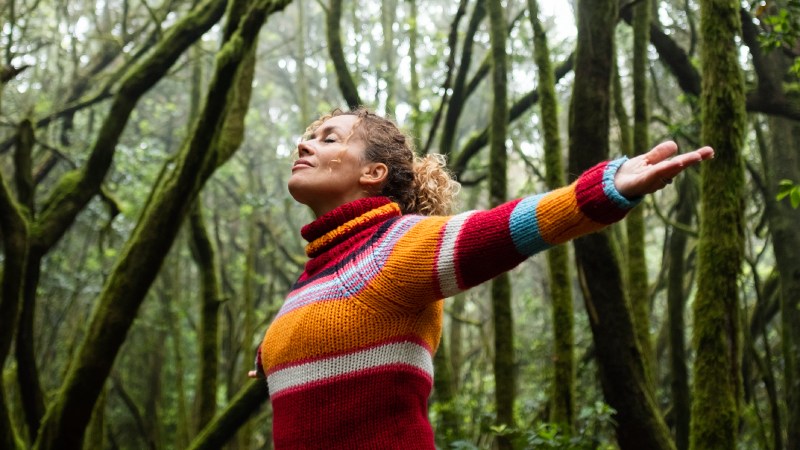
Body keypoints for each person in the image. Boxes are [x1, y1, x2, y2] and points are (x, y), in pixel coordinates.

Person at [249, 107, 714, 449]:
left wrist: (600, 190)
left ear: (374, 172)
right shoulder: (312, 279)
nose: (304, 145)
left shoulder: (392, 249)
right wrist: (271, 353)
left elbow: (500, 231)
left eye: (329, 139)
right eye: (309, 138)